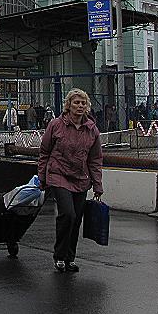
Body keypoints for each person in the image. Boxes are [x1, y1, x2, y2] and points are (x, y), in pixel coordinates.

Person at [38, 88, 103, 273]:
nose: (80, 106)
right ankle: (59, 256)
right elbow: (44, 152)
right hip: (58, 174)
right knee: (68, 214)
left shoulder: (91, 129)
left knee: (76, 220)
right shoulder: (56, 125)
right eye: (76, 102)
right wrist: (42, 177)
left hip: (81, 178)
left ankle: (69, 258)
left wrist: (97, 184)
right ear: (68, 105)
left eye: (83, 103)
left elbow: (95, 159)